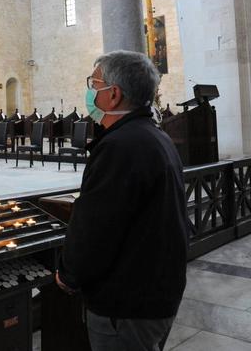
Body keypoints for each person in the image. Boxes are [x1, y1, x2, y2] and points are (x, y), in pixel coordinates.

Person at [56, 50, 188, 351]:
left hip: (126, 303)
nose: (91, 92)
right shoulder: (155, 137)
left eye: (94, 83)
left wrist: (69, 274)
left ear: (113, 94)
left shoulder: (120, 146)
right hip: (158, 290)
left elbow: (96, 228)